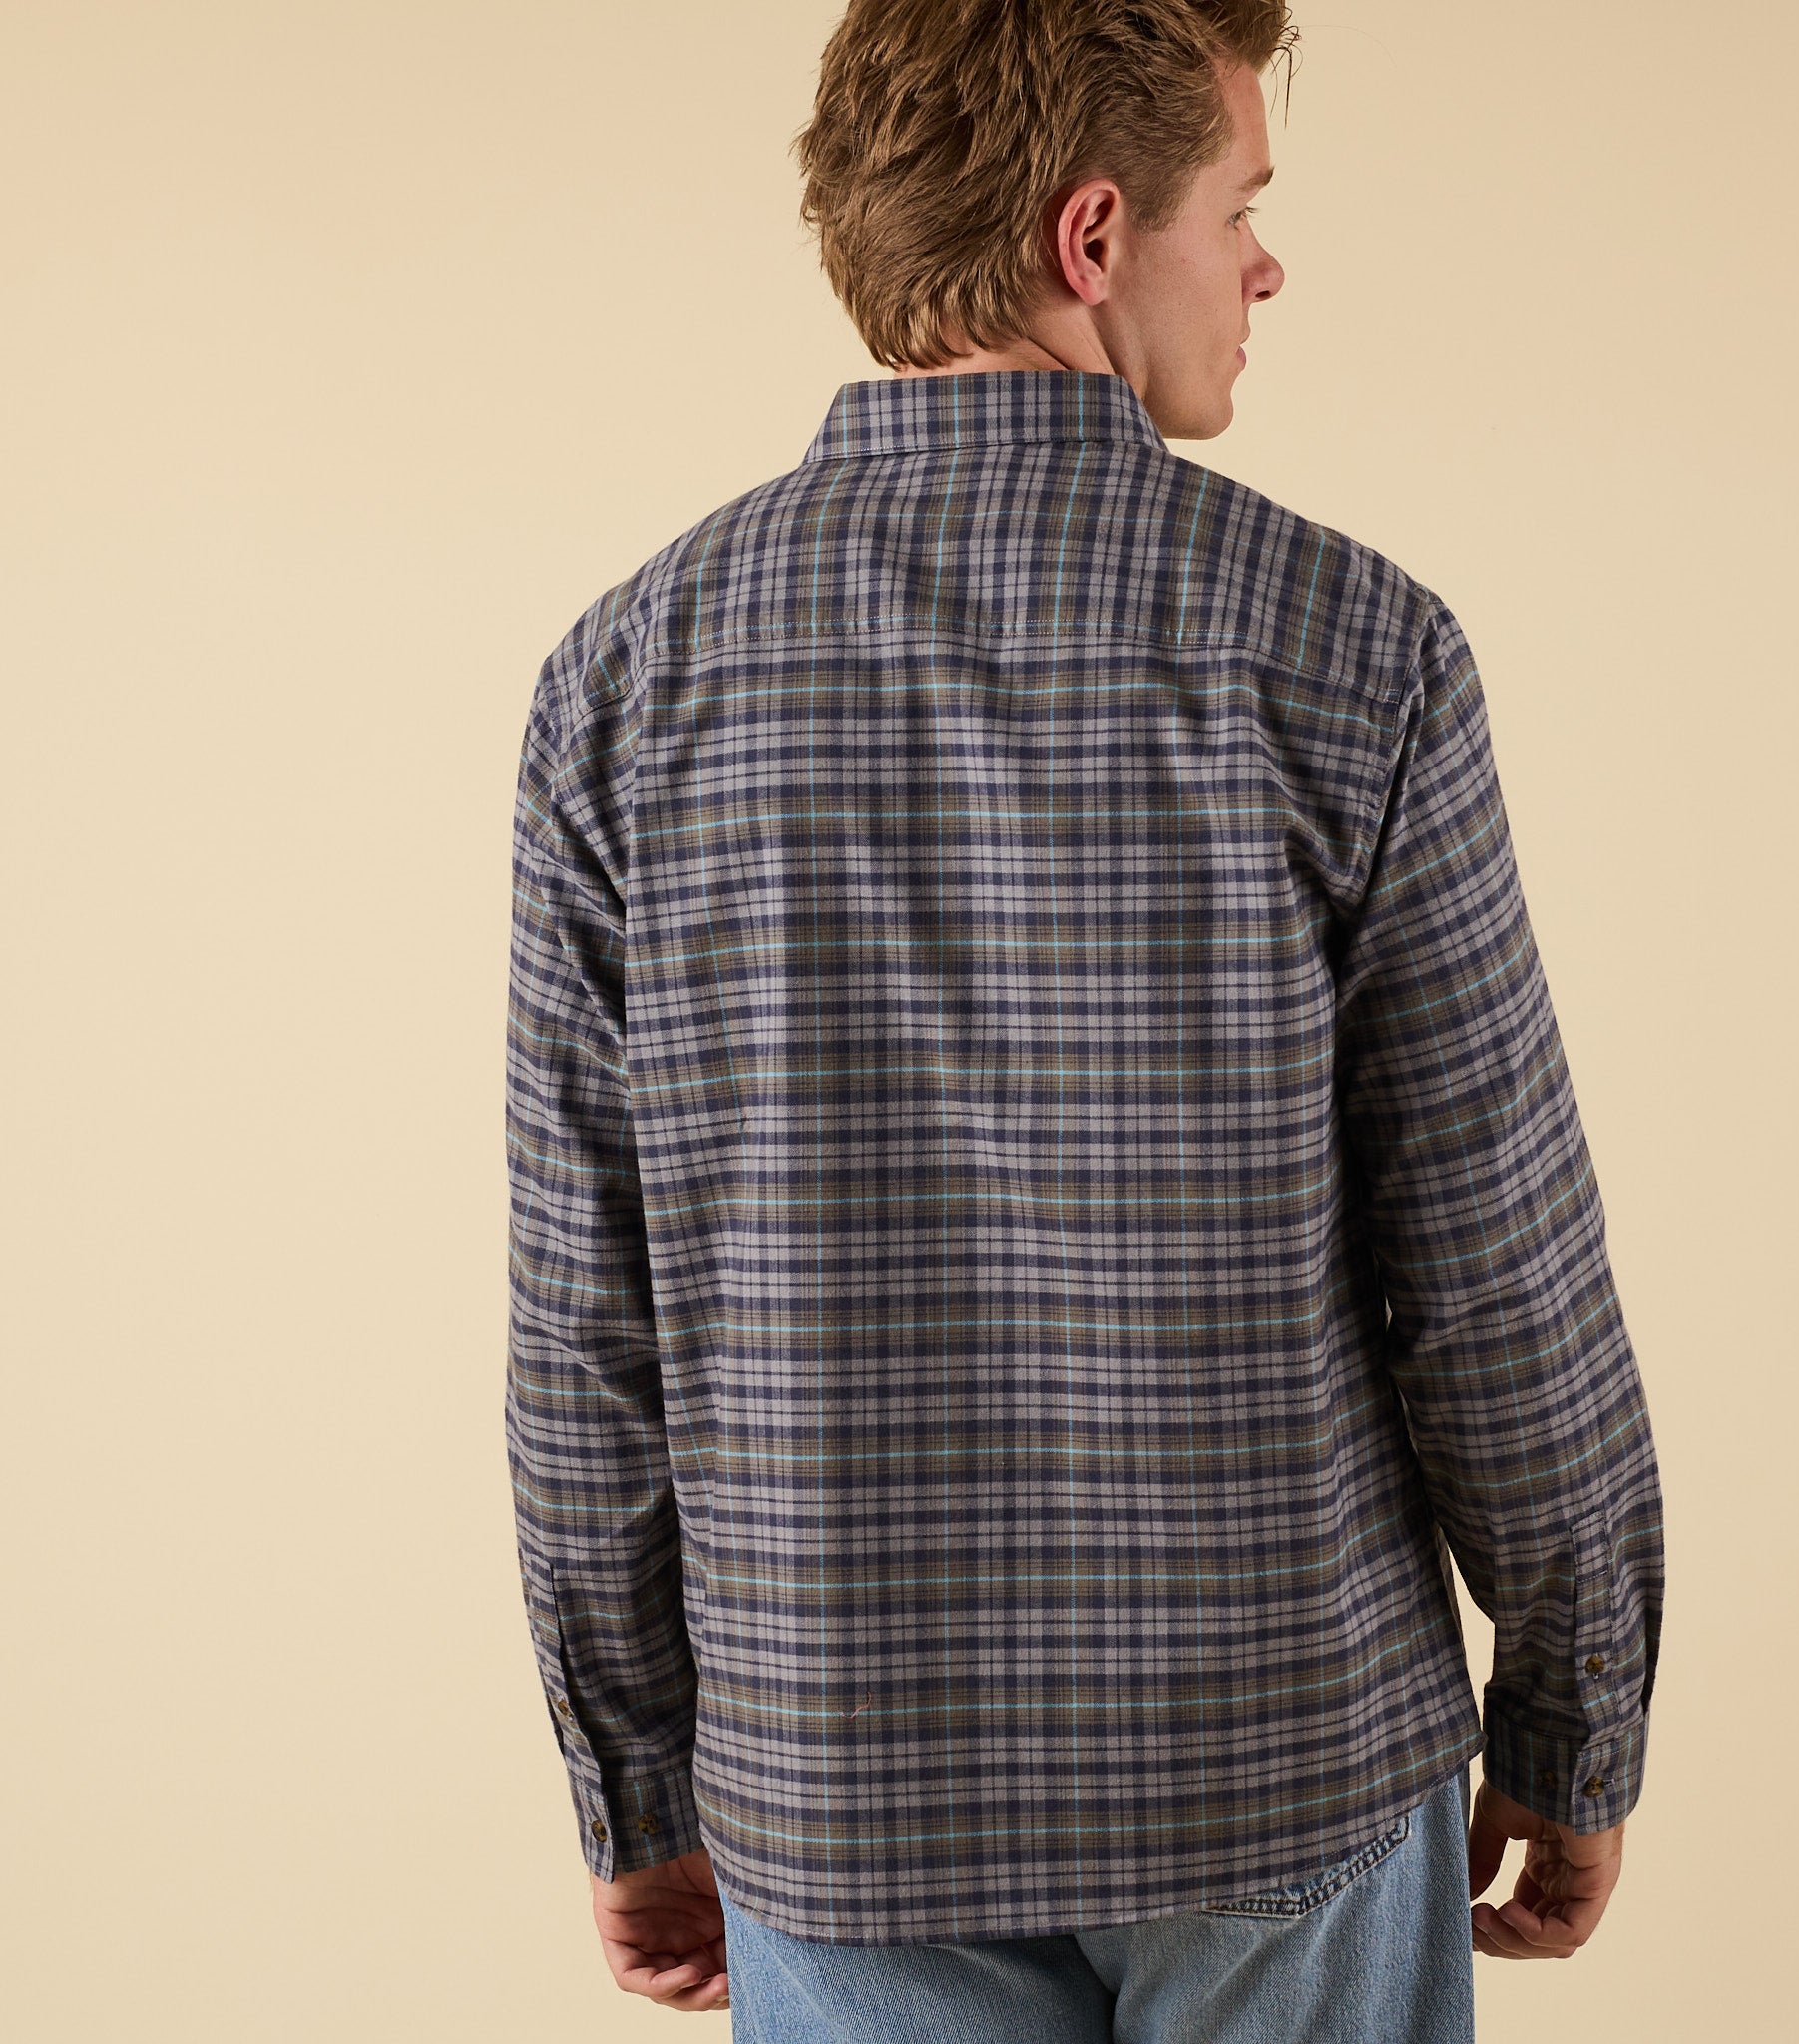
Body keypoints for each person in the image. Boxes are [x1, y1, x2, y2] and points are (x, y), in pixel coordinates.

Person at [503, 2, 1665, 2035]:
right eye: (1244, 207)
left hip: (841, 1792)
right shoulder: (1352, 653)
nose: (1267, 268)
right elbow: (1500, 1275)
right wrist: (1574, 1716)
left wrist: (636, 1781)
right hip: (1284, 1764)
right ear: (1095, 235)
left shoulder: (620, 690)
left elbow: (586, 1334)